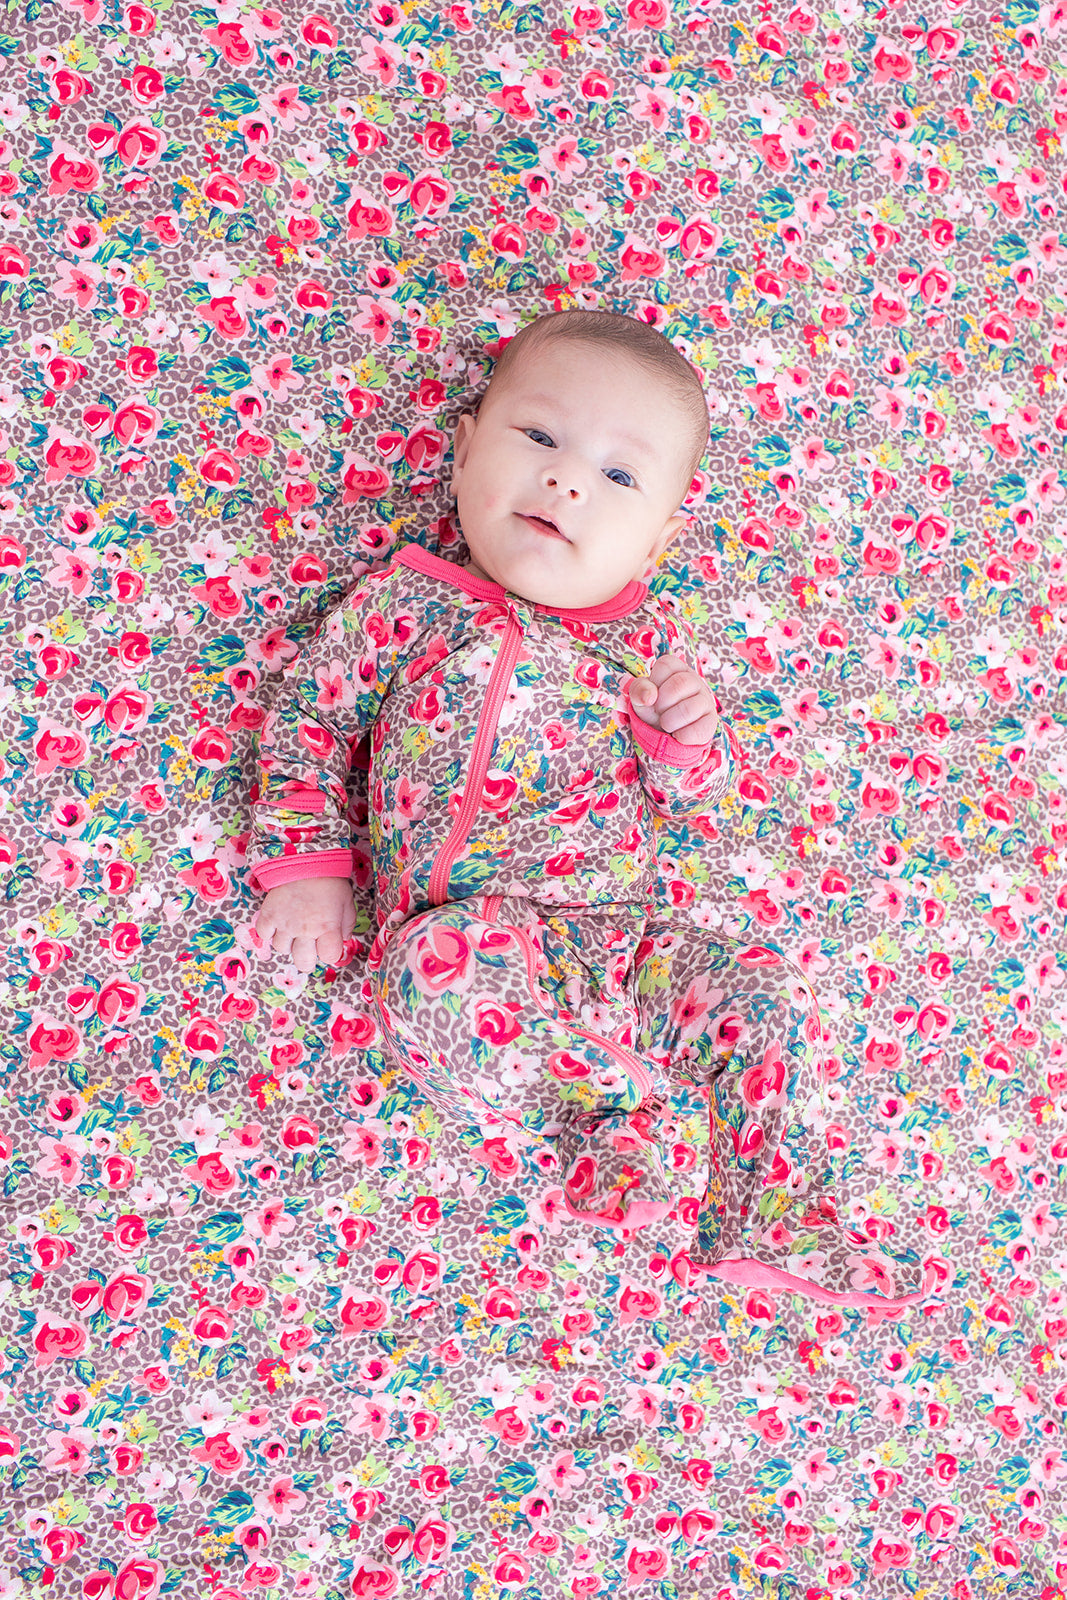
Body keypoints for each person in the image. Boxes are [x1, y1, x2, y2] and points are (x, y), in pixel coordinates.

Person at [249, 311, 923, 1308]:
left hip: (617, 941)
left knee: (757, 993)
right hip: (468, 945)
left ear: (658, 535)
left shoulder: (642, 648)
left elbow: (691, 799)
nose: (567, 480)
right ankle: (618, 1116)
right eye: (538, 439)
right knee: (432, 983)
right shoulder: (409, 603)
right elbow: (310, 714)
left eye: (617, 476)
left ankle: (770, 1199)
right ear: (466, 449)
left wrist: (682, 741)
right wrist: (310, 865)